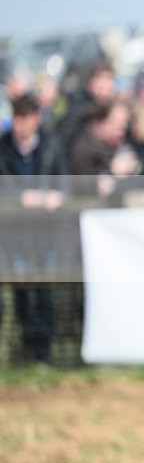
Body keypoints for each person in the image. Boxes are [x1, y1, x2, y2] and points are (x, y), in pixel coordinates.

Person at [0, 93, 69, 364]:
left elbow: (64, 183)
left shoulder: (51, 145)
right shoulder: (3, 148)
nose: (20, 124)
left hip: (45, 232)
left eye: (25, 117)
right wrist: (19, 198)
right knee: (21, 291)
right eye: (17, 117)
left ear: (36, 119)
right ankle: (27, 349)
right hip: (15, 233)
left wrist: (55, 196)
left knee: (43, 291)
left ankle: (43, 353)